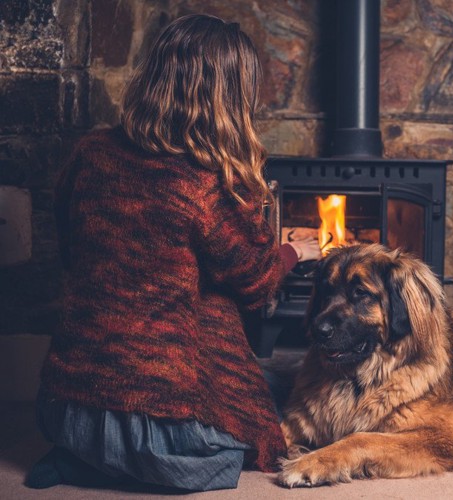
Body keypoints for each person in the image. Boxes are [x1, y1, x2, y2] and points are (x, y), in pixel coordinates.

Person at [26, 14, 321, 491]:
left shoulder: (90, 152)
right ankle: (110, 464)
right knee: (236, 446)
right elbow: (256, 280)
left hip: (67, 400)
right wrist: (291, 250)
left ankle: (77, 455)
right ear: (226, 97)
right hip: (154, 414)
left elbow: (71, 245)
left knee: (215, 320)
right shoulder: (202, 183)